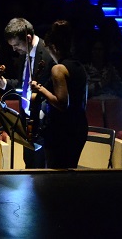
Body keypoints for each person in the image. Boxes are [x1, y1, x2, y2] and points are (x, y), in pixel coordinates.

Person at [0, 17, 55, 168]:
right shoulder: (23, 55)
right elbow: (23, 86)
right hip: (27, 124)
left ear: (28, 38)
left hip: (45, 125)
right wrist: (5, 83)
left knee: (42, 173)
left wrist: (41, 113)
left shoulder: (48, 54)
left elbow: (53, 89)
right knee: (30, 167)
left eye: (16, 45)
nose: (14, 49)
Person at [29, 20, 88, 168]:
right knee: (70, 171)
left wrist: (40, 88)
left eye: (49, 50)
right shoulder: (79, 66)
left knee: (55, 174)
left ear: (54, 47)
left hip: (61, 130)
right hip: (79, 126)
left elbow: (62, 103)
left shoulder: (58, 69)